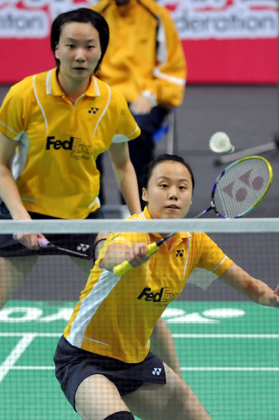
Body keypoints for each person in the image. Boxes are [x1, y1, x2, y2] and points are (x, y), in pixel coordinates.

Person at [54, 154, 279, 420]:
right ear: (145, 193)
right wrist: (126, 256)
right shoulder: (132, 230)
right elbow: (112, 255)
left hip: (136, 360)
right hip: (85, 359)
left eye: (182, 187)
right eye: (163, 185)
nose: (173, 194)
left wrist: (272, 297)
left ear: (192, 198)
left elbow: (251, 286)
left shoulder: (197, 243)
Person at [0, 8, 142, 348]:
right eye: (71, 45)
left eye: (90, 46)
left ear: (101, 50)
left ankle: (178, 384)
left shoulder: (112, 102)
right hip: (25, 213)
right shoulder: (25, 94)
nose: (80, 55)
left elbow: (124, 166)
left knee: (135, 307)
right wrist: (21, 221)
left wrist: (140, 219)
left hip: (82, 220)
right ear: (55, 48)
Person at [93, 0, 187, 205]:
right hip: (102, 96)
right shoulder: (96, 16)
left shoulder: (157, 17)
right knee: (84, 129)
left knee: (135, 130)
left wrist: (151, 95)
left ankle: (137, 211)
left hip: (145, 97)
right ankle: (91, 212)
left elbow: (171, 70)